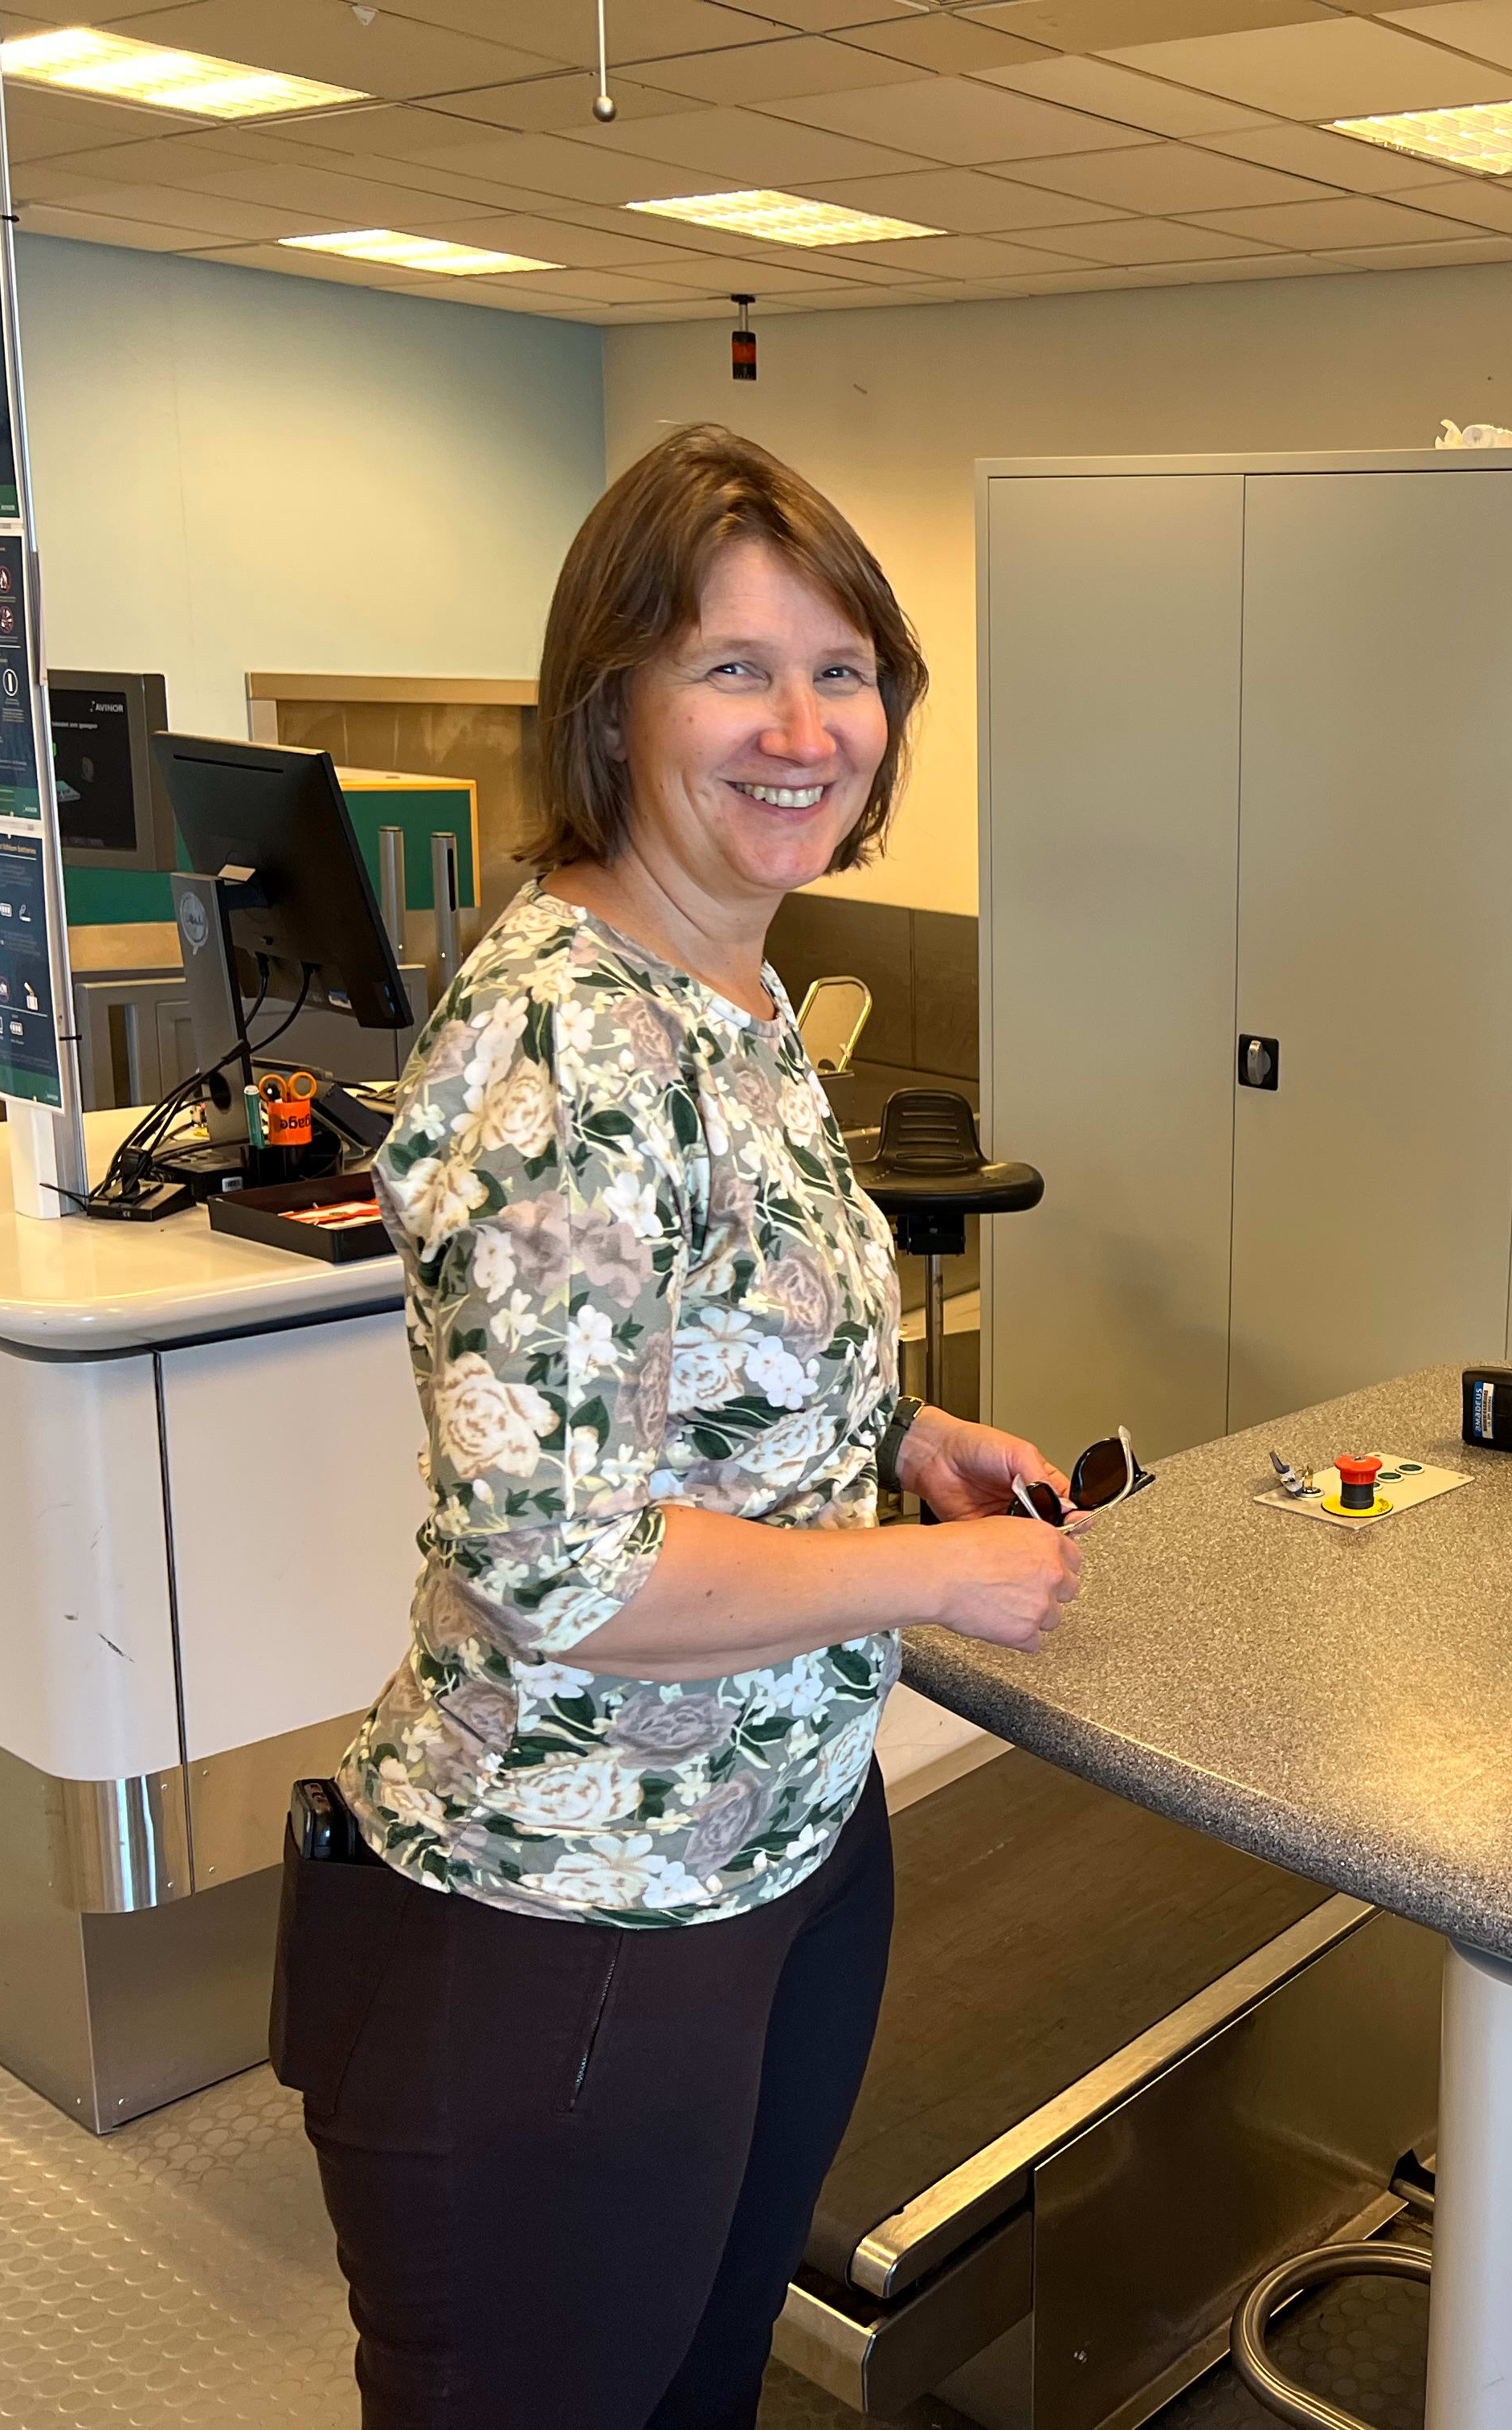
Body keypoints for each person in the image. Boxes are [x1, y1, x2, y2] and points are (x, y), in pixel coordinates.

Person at [272, 423, 1086, 2430]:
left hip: (771, 1851)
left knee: (699, 2390)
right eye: (736, 668)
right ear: (613, 699)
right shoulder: (569, 1046)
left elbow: (702, 1358)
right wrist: (933, 1574)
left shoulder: (732, 991)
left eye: (845, 671)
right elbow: (561, 1571)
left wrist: (902, 1438)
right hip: (569, 1924)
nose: (806, 729)